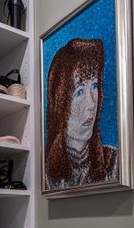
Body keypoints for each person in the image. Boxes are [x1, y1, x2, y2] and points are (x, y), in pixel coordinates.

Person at [45, 38, 117, 190]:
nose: (91, 104)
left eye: (94, 86)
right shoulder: (44, 175)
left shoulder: (113, 163)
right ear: (60, 104)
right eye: (79, 92)